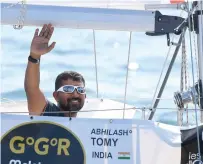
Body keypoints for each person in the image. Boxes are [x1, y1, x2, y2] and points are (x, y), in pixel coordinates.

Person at [24, 24, 86, 117]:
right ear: (56, 96)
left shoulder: (89, 125)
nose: (75, 93)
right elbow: (31, 88)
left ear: (85, 96)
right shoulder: (47, 113)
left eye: (80, 90)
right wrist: (35, 55)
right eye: (68, 89)